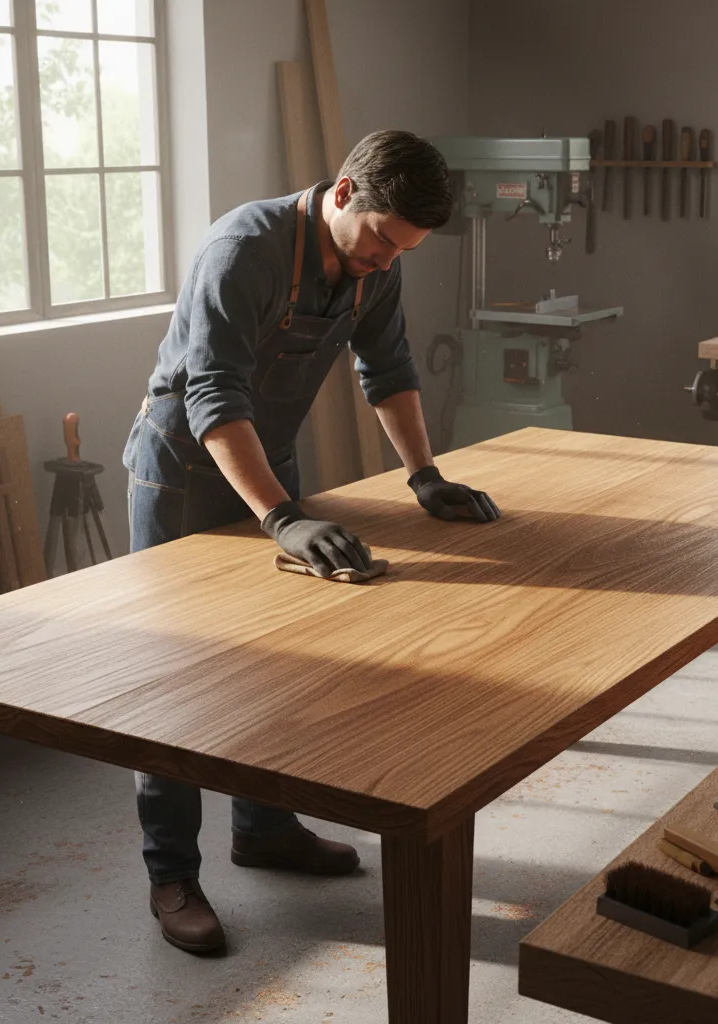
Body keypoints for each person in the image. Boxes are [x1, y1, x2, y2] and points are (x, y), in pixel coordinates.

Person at [123, 129, 501, 954]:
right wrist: (281, 517)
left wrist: (425, 476)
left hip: (270, 458)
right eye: (378, 241)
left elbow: (390, 369)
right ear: (341, 193)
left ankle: (263, 830)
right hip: (186, 467)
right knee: (178, 681)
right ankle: (170, 875)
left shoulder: (376, 267)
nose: (382, 261)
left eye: (402, 251)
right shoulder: (242, 251)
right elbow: (213, 394)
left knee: (276, 660)